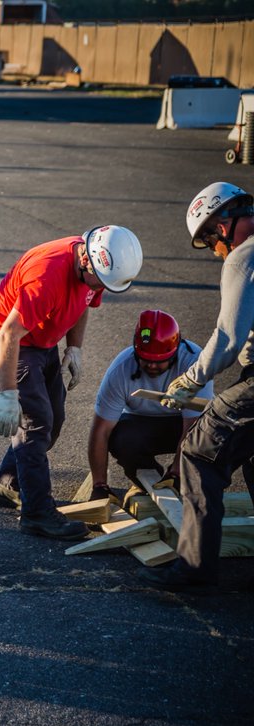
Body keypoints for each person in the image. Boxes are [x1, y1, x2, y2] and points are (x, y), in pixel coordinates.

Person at [0, 225, 143, 541]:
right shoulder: (47, 276)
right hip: (7, 344)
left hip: (40, 341)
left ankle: (8, 482)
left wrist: (75, 347)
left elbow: (86, 300)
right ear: (86, 261)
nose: (102, 288)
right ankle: (37, 513)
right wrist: (8, 394)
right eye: (101, 281)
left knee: (54, 419)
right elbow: (8, 335)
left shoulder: (99, 268)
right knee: (36, 423)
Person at [140, 182, 254, 592]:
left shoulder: (244, 256)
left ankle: (194, 570)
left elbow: (227, 337)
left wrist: (191, 379)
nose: (213, 250)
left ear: (223, 225)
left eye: (209, 239)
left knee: (199, 453)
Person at [87, 309, 213, 500]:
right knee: (122, 439)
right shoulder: (120, 370)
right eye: (146, 360)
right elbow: (100, 431)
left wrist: (177, 472)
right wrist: (99, 485)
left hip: (185, 424)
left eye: (160, 361)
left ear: (175, 351)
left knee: (210, 437)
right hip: (141, 423)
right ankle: (146, 484)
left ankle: (192, 485)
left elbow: (192, 428)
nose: (152, 366)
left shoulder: (195, 363)